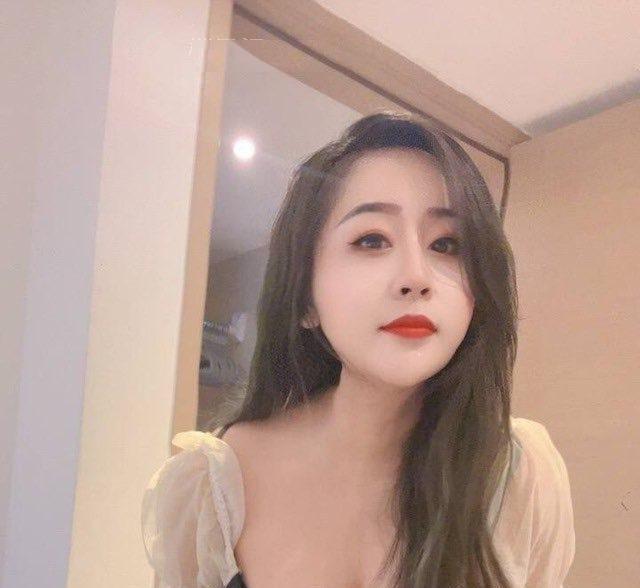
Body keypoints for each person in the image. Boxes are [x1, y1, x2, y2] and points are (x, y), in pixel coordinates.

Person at [141, 112, 576, 588]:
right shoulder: (217, 482)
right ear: (305, 297)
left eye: (447, 244)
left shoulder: (517, 474)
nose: (416, 277)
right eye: (372, 240)